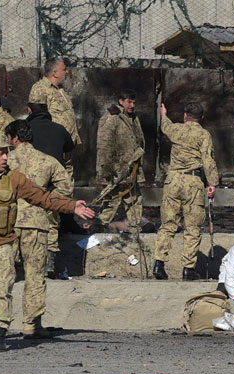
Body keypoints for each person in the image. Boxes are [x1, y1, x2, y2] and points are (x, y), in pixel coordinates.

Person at [0, 135, 94, 352]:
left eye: (7, 152)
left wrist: (71, 206)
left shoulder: (14, 179)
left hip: (2, 242)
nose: (5, 157)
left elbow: (42, 197)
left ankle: (1, 333)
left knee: (2, 288)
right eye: (0, 153)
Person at [0, 119, 72, 339]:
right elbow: (67, 188)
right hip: (37, 223)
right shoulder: (47, 161)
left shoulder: (4, 160)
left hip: (6, 223)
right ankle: (31, 325)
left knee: (2, 274)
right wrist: (48, 201)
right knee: (34, 275)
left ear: (14, 138)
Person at [152, 102, 219, 280]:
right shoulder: (203, 134)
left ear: (184, 116)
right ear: (202, 118)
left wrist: (164, 114)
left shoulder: (176, 130)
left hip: (173, 181)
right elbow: (208, 160)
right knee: (192, 227)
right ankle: (188, 269)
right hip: (193, 183)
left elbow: (164, 126)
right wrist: (212, 183)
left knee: (167, 224)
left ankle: (159, 262)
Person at [29, 58, 84, 234]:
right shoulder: (40, 89)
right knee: (51, 182)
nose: (66, 72)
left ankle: (67, 218)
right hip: (51, 146)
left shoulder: (61, 92)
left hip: (65, 146)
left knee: (67, 181)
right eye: (64, 69)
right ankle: (50, 222)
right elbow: (36, 117)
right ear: (54, 72)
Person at [27, 102, 75, 277]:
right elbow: (70, 146)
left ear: (29, 111)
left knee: (29, 226)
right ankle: (50, 264)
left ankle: (29, 264)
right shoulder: (59, 129)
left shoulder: (26, 129)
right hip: (54, 187)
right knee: (52, 224)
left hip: (30, 188)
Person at [94, 89, 145, 234]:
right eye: (129, 102)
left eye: (134, 102)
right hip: (116, 170)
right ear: (121, 101)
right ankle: (96, 231)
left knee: (134, 200)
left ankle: (135, 232)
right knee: (111, 202)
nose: (132, 105)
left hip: (131, 169)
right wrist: (106, 170)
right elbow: (104, 145)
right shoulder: (112, 118)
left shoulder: (133, 118)